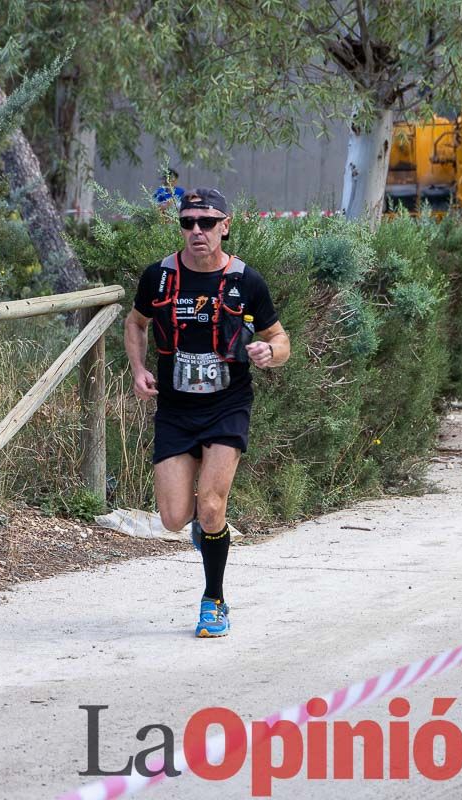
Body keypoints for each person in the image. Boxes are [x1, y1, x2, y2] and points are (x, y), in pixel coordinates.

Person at [125, 187, 290, 637]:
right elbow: (136, 323)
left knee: (212, 507)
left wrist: (267, 353)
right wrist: (138, 369)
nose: (197, 231)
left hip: (227, 406)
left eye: (207, 222)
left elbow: (281, 340)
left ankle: (213, 600)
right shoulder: (158, 277)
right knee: (175, 518)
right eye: (188, 222)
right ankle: (205, 532)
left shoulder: (245, 281)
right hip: (176, 409)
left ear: (225, 225)